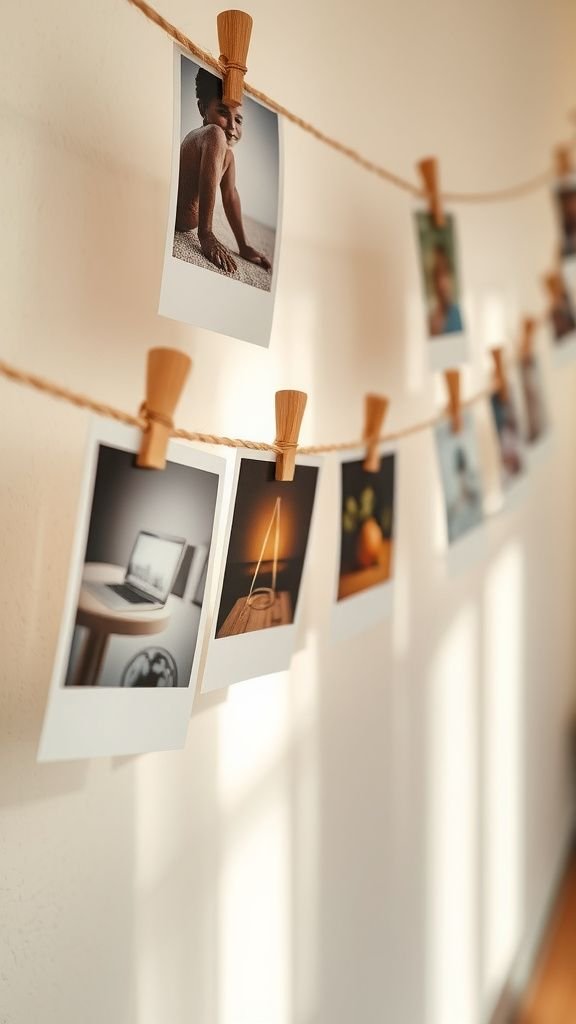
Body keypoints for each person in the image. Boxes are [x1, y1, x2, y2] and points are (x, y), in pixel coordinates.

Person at [175, 68, 271, 275]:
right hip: (174, 216)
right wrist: (206, 234)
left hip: (186, 223)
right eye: (223, 112)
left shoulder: (227, 155)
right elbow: (217, 133)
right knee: (217, 134)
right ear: (202, 108)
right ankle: (205, 230)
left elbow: (230, 195)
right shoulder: (210, 134)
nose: (232, 127)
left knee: (228, 154)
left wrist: (243, 245)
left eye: (238, 119)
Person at [428, 242, 463, 336]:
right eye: (437, 275)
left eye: (444, 274)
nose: (441, 282)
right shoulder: (431, 318)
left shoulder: (457, 313)